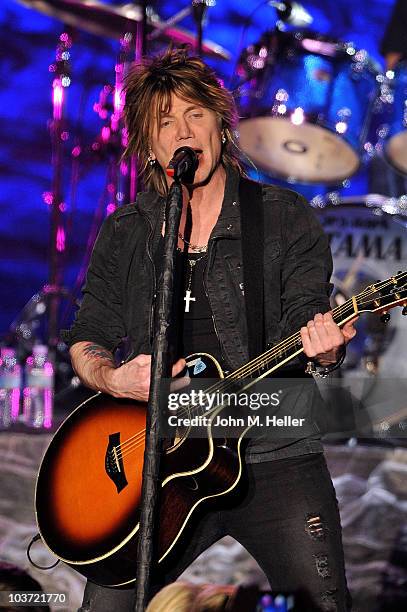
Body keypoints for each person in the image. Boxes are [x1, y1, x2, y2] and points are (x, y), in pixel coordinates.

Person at [63, 49, 357, 611]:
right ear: (148, 147)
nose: (183, 131)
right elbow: (87, 334)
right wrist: (113, 377)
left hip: (273, 452)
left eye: (195, 114)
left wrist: (322, 348)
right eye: (165, 122)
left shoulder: (282, 215)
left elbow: (306, 314)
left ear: (221, 125)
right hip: (160, 463)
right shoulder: (127, 230)